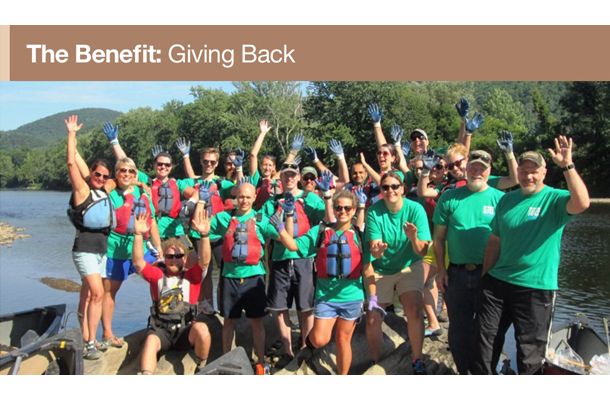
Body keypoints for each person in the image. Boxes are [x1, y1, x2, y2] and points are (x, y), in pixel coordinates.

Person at [472, 136, 590, 374]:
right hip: (496, 284)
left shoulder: (554, 198)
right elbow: (494, 241)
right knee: (484, 344)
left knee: (530, 352)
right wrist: (485, 276)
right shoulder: (507, 200)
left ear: (544, 172)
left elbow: (582, 203)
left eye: (534, 171)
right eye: (523, 171)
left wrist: (567, 166)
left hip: (535, 288)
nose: (528, 176)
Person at [273, 189, 376, 374]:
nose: (342, 212)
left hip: (352, 296)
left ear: (354, 211)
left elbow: (368, 268)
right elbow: (294, 245)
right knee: (320, 339)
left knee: (343, 339)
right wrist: (280, 229)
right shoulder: (320, 232)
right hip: (326, 296)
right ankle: (310, 346)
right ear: (334, 209)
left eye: (347, 208)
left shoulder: (361, 236)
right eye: (339, 208)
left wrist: (373, 297)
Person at [432, 150, 505, 374]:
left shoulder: (501, 199)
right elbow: (439, 238)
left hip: (491, 275)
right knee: (458, 329)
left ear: (489, 171)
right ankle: (463, 373)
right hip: (457, 273)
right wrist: (441, 271)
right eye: (472, 168)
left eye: (482, 169)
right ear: (466, 169)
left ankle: (485, 374)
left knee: (489, 330)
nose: (477, 172)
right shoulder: (449, 197)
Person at [204, 182, 281, 372]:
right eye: (241, 197)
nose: (244, 200)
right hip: (229, 276)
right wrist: (200, 203)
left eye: (248, 197)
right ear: (235, 198)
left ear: (254, 197)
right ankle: (225, 358)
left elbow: (281, 236)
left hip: (254, 277)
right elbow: (204, 228)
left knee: (257, 321)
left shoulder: (261, 219)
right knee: (229, 321)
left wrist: (285, 223)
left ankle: (260, 361)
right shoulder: (224, 218)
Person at [364, 171, 431, 374]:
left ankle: (417, 359)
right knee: (373, 317)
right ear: (381, 191)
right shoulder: (374, 212)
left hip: (409, 266)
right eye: (385, 187)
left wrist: (413, 237)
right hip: (381, 269)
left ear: (402, 188)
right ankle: (377, 361)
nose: (390, 190)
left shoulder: (416, 209)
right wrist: (377, 250)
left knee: (414, 309)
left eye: (395, 186)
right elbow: (374, 249)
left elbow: (422, 250)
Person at [131, 206, 212, 375]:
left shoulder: (193, 277)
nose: (174, 260)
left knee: (203, 329)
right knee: (151, 341)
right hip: (162, 330)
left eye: (178, 256)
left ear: (185, 259)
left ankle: (201, 366)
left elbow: (204, 261)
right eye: (169, 256)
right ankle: (146, 375)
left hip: (185, 331)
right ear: (164, 259)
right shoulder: (157, 275)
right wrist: (138, 235)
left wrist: (204, 236)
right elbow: (138, 263)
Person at [261, 162, 326, 366]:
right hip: (280, 258)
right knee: (280, 307)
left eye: (292, 175)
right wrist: (280, 235)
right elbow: (263, 224)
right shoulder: (272, 202)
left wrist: (328, 194)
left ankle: (306, 347)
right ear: (280, 179)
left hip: (304, 258)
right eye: (285, 175)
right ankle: (287, 349)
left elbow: (325, 219)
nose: (289, 178)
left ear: (298, 177)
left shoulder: (310, 199)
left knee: (306, 306)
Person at [65, 115, 115, 360]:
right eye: (98, 175)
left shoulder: (103, 188)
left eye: (105, 176)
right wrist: (72, 134)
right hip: (84, 248)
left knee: (87, 295)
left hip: (100, 250)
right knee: (97, 293)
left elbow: (84, 164)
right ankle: (91, 342)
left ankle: (85, 337)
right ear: (91, 175)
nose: (102, 179)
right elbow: (72, 163)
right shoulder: (82, 190)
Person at [102, 156, 162, 349]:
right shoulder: (111, 193)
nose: (126, 174)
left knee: (160, 280)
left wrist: (159, 247)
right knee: (110, 291)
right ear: (116, 173)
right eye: (122, 170)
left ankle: (161, 322)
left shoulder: (142, 193)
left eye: (130, 171)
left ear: (136, 174)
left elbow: (151, 222)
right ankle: (107, 333)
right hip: (116, 248)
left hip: (141, 247)